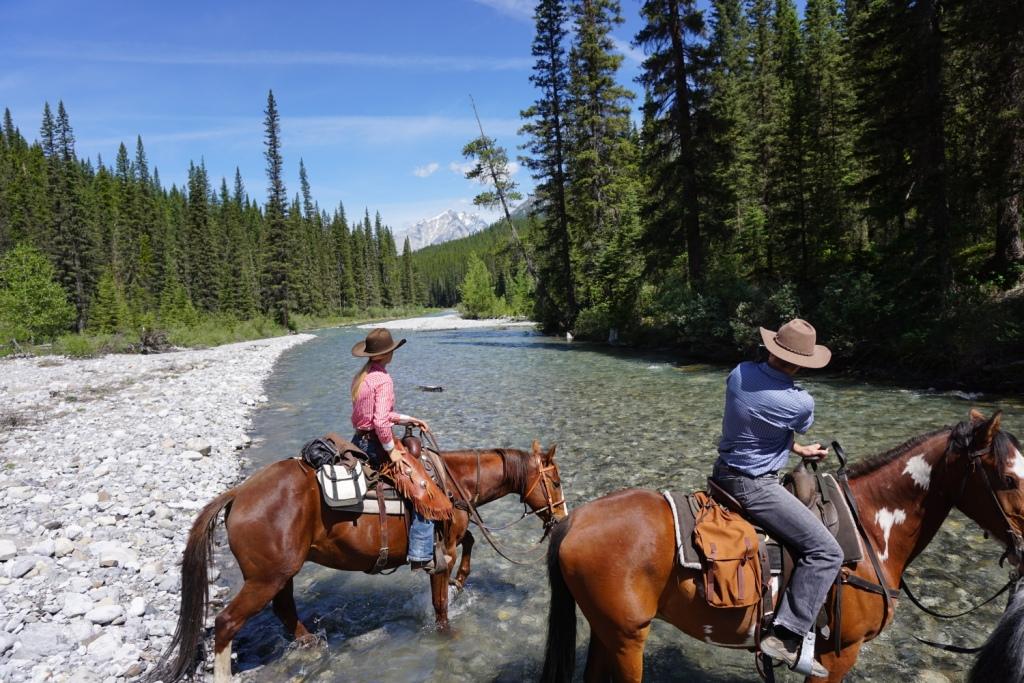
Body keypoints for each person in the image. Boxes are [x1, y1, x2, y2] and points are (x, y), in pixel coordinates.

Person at [711, 318, 843, 677]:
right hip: (755, 485)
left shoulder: (738, 374)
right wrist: (801, 444)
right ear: (802, 362)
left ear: (770, 348)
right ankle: (785, 635)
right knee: (827, 551)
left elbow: (756, 422)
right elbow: (790, 420)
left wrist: (797, 448)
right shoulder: (800, 402)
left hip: (722, 473)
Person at [350, 327, 441, 573]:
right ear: (386, 353)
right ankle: (421, 554)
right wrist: (392, 452)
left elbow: (377, 416)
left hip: (358, 440)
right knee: (424, 489)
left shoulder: (364, 376)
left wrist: (409, 419)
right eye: (391, 350)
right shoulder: (383, 379)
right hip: (376, 446)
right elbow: (380, 422)